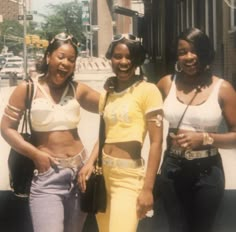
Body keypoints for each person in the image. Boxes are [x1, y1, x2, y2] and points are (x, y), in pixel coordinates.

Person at [0, 32, 100, 232]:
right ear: (48, 57)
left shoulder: (78, 89)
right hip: (47, 175)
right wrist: (35, 154)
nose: (65, 63)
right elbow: (6, 128)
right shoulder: (27, 89)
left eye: (71, 59)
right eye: (60, 56)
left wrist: (92, 161)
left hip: (80, 174)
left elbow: (114, 112)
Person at [78, 34, 163, 232]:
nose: (123, 62)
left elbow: (156, 143)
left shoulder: (148, 91)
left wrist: (148, 188)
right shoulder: (107, 93)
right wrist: (90, 162)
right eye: (118, 56)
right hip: (103, 175)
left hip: (128, 177)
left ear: (137, 59)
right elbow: (104, 134)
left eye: (129, 57)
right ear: (110, 58)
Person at [156, 27, 236, 232]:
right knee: (176, 227)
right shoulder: (166, 84)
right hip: (172, 168)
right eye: (183, 52)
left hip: (207, 172)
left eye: (195, 51)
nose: (189, 57)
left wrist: (205, 138)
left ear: (206, 53)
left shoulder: (223, 89)